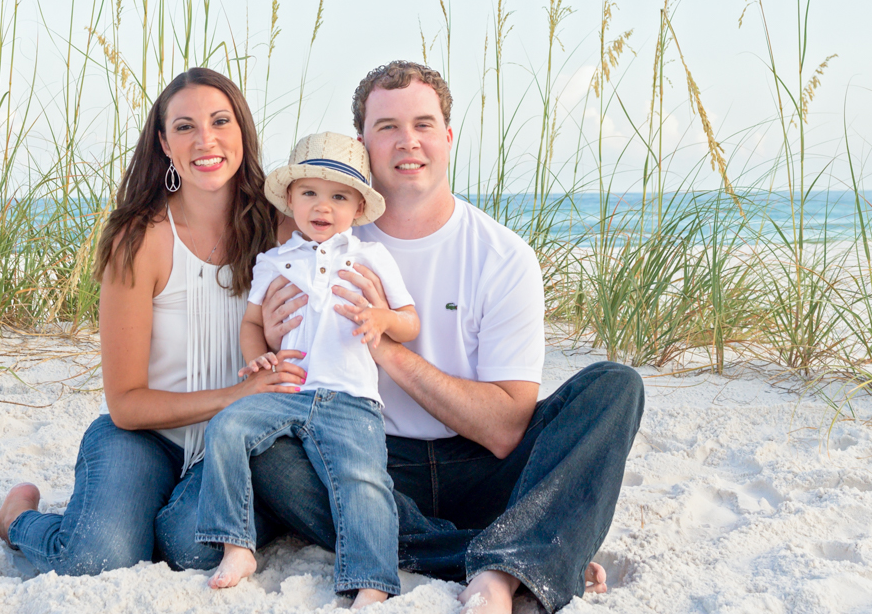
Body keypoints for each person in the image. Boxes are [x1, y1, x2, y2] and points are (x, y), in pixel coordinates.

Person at [249, 61, 645, 613]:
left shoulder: (502, 255)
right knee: (267, 453)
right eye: (386, 126)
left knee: (616, 386)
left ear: (448, 136)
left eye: (423, 124)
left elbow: (507, 428)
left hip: (487, 470)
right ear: (363, 143)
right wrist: (270, 339)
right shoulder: (318, 244)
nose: (407, 142)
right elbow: (289, 386)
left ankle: (508, 551)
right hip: (369, 462)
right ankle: (513, 556)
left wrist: (385, 345)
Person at [0, 67, 308, 574]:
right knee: (100, 559)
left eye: (220, 121)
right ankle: (17, 518)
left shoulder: (280, 226)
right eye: (184, 127)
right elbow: (127, 404)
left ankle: (153, 517)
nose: (206, 140)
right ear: (164, 143)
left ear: (242, 131)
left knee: (191, 547)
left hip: (233, 441)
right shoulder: (139, 239)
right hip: (144, 435)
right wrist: (236, 395)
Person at [196, 133, 419, 608]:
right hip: (290, 388)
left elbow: (409, 320)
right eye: (310, 193)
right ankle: (238, 546)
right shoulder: (273, 261)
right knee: (227, 426)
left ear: (358, 207)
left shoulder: (371, 257)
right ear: (291, 201)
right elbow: (253, 322)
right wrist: (258, 356)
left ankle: (372, 581)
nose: (323, 206)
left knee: (363, 479)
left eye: (339, 196)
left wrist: (381, 320)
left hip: (351, 397)